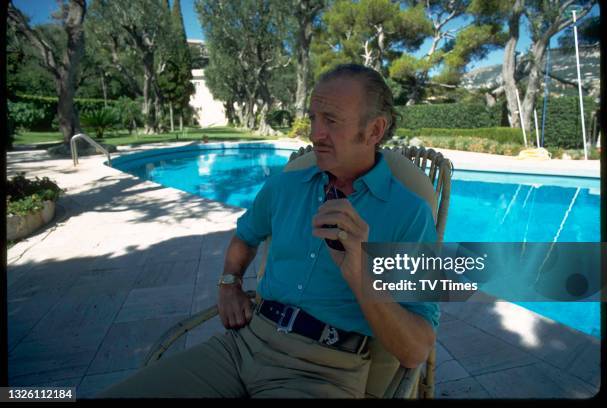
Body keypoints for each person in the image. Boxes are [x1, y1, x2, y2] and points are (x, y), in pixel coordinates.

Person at [99, 63, 439, 399]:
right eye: (314, 118)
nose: (315, 133)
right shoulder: (284, 186)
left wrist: (361, 273)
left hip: (325, 371)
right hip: (241, 346)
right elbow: (245, 237)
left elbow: (416, 350)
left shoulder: (413, 214)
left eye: (331, 121)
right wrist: (229, 283)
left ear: (375, 130)